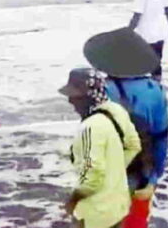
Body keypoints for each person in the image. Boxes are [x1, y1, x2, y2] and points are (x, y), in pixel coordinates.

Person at [60, 68, 141, 228]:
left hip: (96, 215)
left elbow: (91, 178)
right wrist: (113, 171)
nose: (70, 100)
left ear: (88, 96)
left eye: (74, 95)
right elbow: (134, 145)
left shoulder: (90, 127)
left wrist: (73, 200)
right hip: (118, 207)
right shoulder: (115, 110)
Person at [105, 76, 168, 228]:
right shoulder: (154, 90)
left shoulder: (99, 89)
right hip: (143, 174)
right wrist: (155, 174)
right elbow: (161, 137)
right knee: (137, 221)